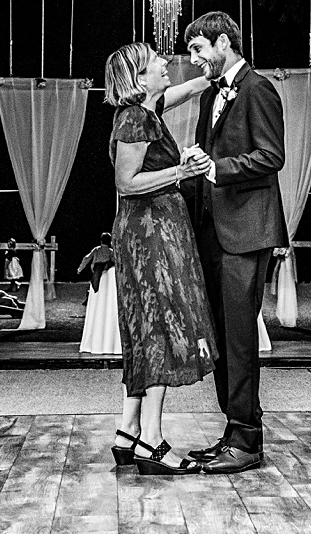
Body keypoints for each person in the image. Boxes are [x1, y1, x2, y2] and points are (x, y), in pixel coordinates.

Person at [105, 41, 216, 475]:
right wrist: (182, 171)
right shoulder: (134, 118)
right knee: (158, 326)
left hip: (159, 228)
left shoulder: (149, 110)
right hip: (147, 235)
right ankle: (151, 440)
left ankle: (127, 430)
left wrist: (221, 71)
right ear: (138, 77)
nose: (165, 63)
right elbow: (126, 182)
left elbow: (189, 90)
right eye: (156, 62)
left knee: (149, 326)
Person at [182, 11, 286, 475]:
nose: (193, 58)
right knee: (224, 338)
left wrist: (218, 169)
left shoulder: (258, 88)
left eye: (198, 49)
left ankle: (248, 439)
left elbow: (271, 155)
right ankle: (235, 430)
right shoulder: (212, 94)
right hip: (214, 232)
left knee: (241, 338)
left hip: (247, 232)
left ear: (224, 42)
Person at [77, 233, 120, 355]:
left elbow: (87, 258)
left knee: (96, 282)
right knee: (96, 281)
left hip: (99, 267)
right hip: (102, 267)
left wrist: (80, 268)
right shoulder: (109, 251)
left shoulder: (97, 250)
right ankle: (92, 292)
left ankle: (92, 292)